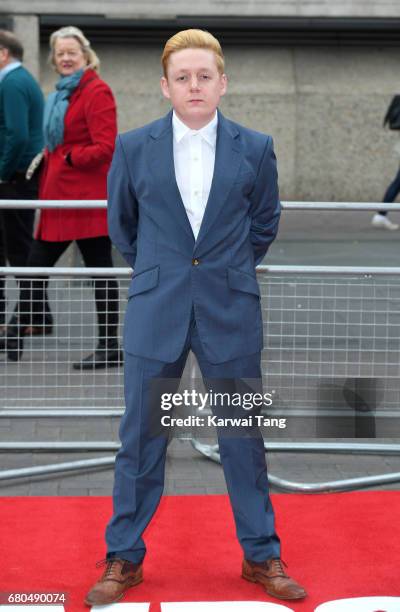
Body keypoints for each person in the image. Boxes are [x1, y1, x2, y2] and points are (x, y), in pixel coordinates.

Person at [85, 29, 306, 606]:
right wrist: (166, 272)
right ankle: (123, 557)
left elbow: (264, 223)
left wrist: (220, 271)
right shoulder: (134, 148)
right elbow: (122, 228)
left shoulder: (255, 147)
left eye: (204, 75)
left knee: (243, 437)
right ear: (165, 85)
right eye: (182, 77)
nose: (194, 85)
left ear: (222, 82)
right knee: (141, 438)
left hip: (229, 310)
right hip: (156, 310)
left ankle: (261, 555)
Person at [2, 26, 122, 370]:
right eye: (60, 53)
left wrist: (69, 157)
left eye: (72, 52)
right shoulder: (61, 94)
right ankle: (13, 332)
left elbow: (106, 147)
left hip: (86, 200)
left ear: (86, 55)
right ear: (54, 60)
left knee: (99, 271)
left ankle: (109, 346)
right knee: (35, 267)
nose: (66, 58)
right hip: (57, 199)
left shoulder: (97, 91)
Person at [0, 30, 51, 338]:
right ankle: (38, 316)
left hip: (15, 178)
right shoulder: (19, 80)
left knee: (17, 250)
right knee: (19, 249)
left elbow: (16, 135)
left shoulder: (12, 82)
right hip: (20, 176)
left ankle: (33, 317)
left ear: (3, 53)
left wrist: (3, 172)